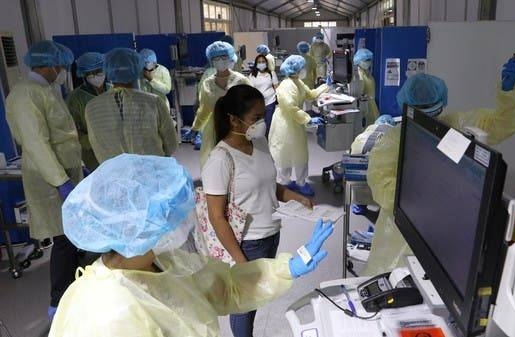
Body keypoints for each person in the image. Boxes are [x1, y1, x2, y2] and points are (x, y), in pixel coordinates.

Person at [48, 153, 333, 336]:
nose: (177, 228)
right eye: (167, 220)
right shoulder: (107, 315)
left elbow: (227, 288)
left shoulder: (163, 262)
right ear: (134, 232)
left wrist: (286, 269)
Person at [363, 56, 515, 276]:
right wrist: (428, 195)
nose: (428, 117)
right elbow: (381, 186)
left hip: (448, 234)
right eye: (421, 110)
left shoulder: (457, 126)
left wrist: (508, 94)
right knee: (396, 286)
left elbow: (500, 124)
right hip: (400, 236)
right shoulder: (393, 140)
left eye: (430, 110)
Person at [202, 85, 315, 337]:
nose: (261, 123)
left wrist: (295, 196)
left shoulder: (259, 142)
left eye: (262, 116)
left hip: (271, 234)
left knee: (256, 299)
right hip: (247, 244)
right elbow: (216, 216)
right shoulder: (220, 160)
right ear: (233, 118)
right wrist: (240, 262)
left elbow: (268, 184)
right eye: (255, 118)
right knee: (244, 306)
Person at [4, 40, 83, 320]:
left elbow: (63, 133)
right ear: (49, 64)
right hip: (50, 178)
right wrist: (60, 181)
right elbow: (36, 143)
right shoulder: (25, 94)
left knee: (73, 237)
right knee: (63, 239)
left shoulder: (45, 89)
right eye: (60, 66)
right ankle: (58, 301)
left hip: (65, 170)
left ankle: (78, 289)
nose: (61, 71)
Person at [84, 48, 177, 164]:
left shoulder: (92, 107)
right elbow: (171, 143)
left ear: (108, 70)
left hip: (114, 174)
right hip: (151, 170)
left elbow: (96, 144)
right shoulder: (154, 102)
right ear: (137, 69)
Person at [269, 55, 329, 197]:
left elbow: (311, 94)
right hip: (284, 123)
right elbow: (290, 107)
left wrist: (326, 86)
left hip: (295, 122)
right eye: (303, 68)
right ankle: (285, 182)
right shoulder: (286, 85)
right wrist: (308, 119)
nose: (304, 70)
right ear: (296, 69)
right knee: (285, 153)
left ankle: (301, 182)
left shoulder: (298, 82)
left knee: (300, 153)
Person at [192, 41, 250, 168]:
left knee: (238, 163)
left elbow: (251, 106)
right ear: (211, 60)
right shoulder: (207, 83)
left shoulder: (241, 80)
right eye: (216, 58)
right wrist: (196, 127)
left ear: (230, 57)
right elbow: (204, 109)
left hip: (237, 127)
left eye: (224, 57)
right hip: (214, 128)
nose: (220, 61)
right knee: (216, 163)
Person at [66, 52, 109, 171]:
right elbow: (71, 127)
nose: (96, 77)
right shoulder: (76, 98)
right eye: (91, 74)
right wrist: (90, 141)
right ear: (83, 75)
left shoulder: (113, 90)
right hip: (92, 153)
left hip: (116, 148)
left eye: (99, 72)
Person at [248, 55, 279, 137]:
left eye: (263, 62)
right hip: (258, 104)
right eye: (259, 62)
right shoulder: (252, 75)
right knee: (259, 125)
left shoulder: (271, 73)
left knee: (268, 124)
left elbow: (276, 87)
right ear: (256, 64)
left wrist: (280, 100)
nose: (261, 63)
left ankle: (268, 142)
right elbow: (250, 90)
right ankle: (261, 142)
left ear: (266, 63)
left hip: (270, 102)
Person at [353, 48, 380, 126]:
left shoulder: (367, 72)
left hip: (372, 105)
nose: (368, 62)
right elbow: (359, 92)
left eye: (369, 60)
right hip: (365, 107)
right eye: (366, 60)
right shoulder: (358, 74)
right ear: (359, 61)